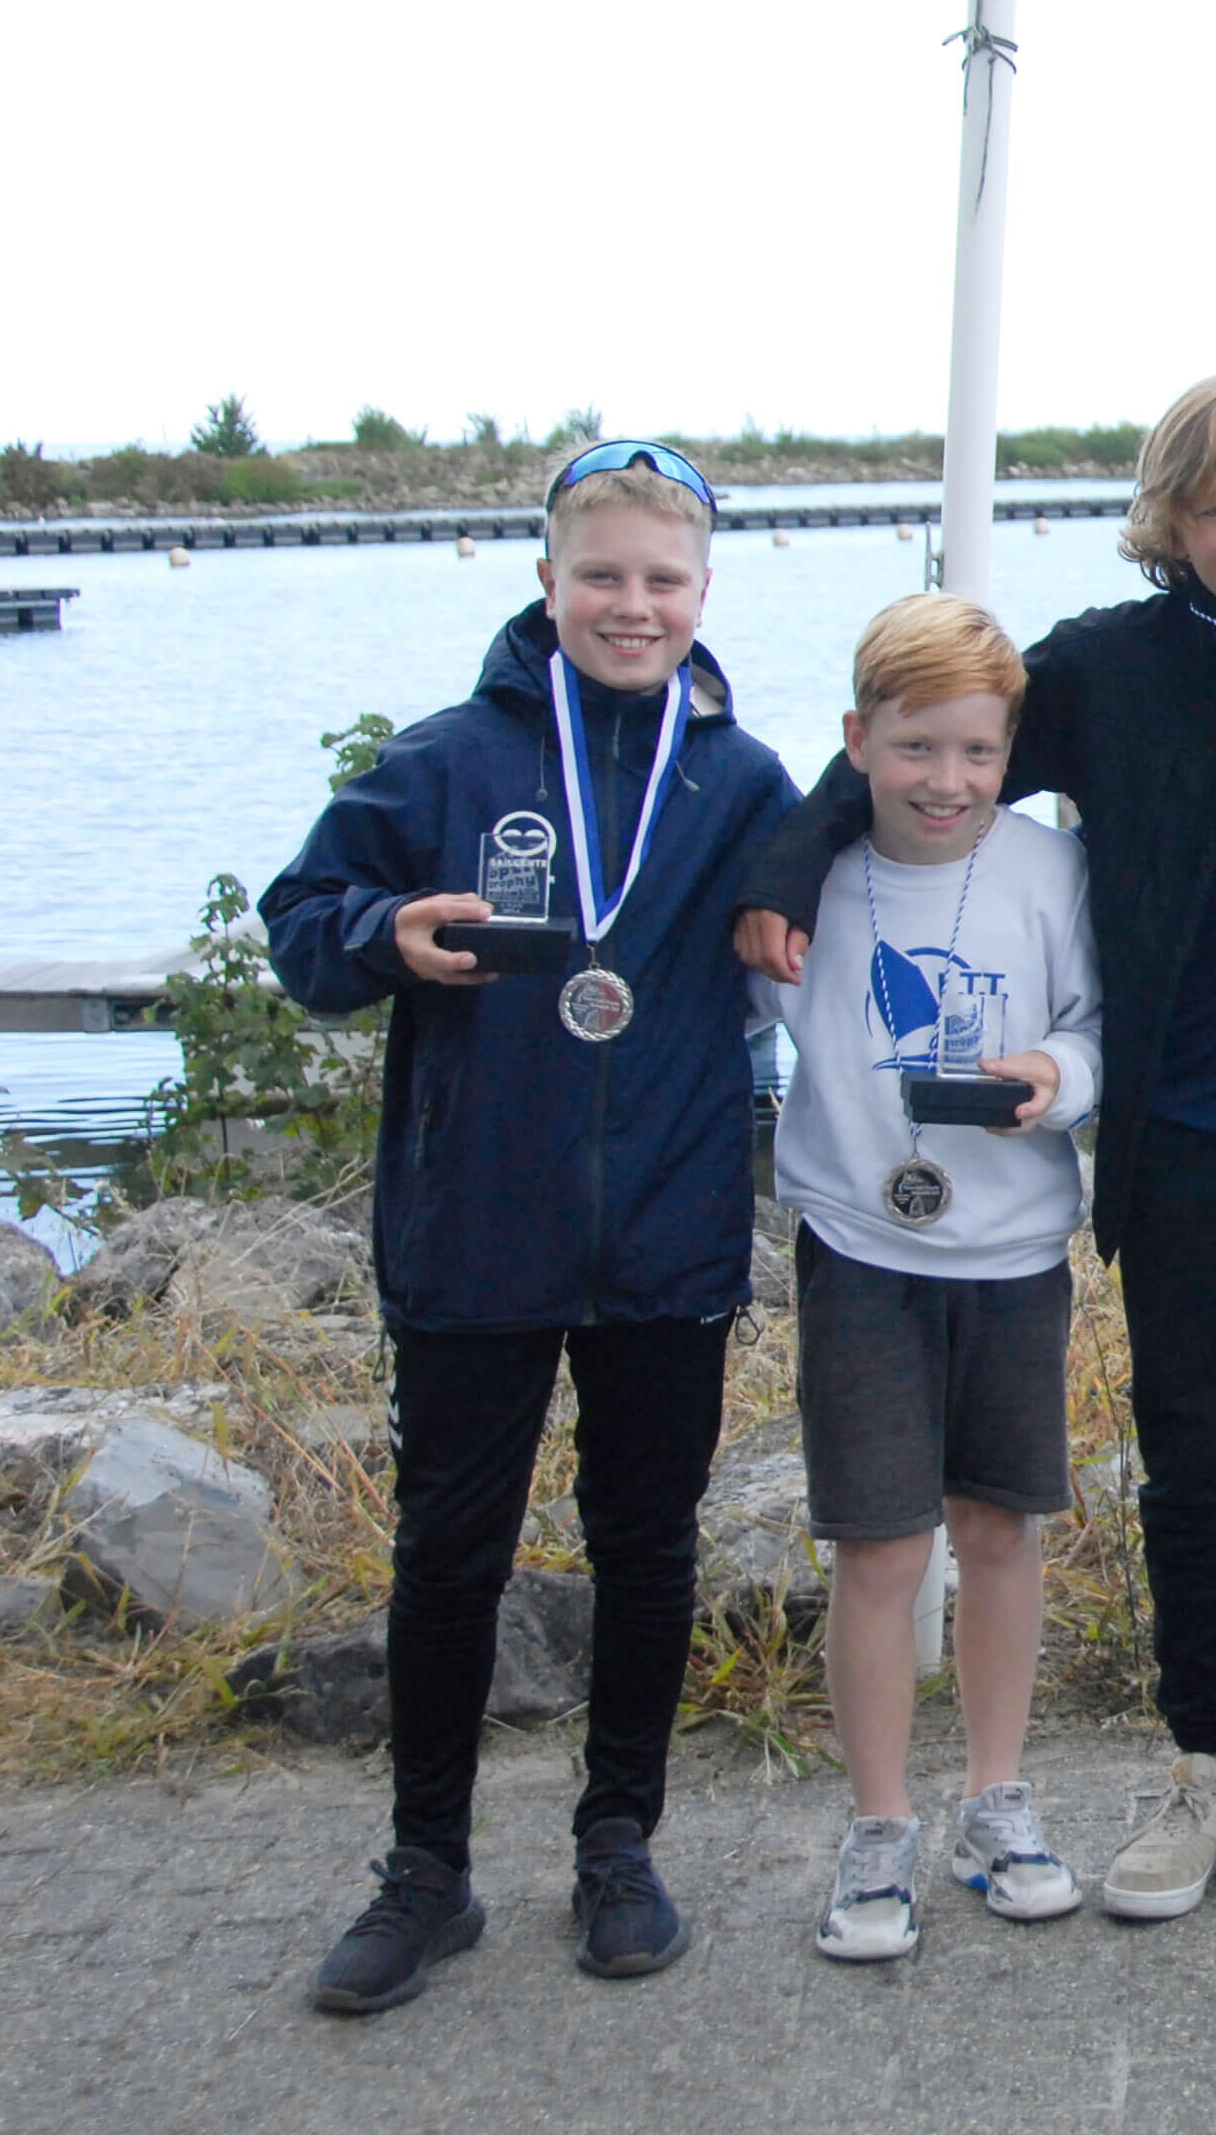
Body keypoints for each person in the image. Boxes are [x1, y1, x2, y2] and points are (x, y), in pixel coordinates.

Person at [739, 378, 1216, 1922]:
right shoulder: (1110, 668)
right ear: (1172, 527)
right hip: (1185, 1132)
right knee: (1196, 1461)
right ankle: (1200, 1765)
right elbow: (929, 742)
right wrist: (786, 870)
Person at [264, 440, 803, 2011]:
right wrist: (383, 930)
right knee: (450, 1555)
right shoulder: (444, 763)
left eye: (663, 580)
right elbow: (301, 927)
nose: (634, 606)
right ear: (547, 582)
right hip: (477, 1228)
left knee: (647, 1545)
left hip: (669, 1233)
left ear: (703, 591)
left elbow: (856, 880)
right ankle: (425, 1870)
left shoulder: (741, 780)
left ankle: (618, 1843)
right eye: (603, 576)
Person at [750, 594, 1103, 1961]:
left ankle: (996, 1798)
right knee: (883, 1549)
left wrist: (1059, 1076)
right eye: (914, 749)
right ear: (857, 743)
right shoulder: (806, 886)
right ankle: (879, 1821)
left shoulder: (1049, 870)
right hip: (860, 1246)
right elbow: (740, 1010)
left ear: (1009, 751)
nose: (945, 780)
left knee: (1001, 1531)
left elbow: (1095, 1025)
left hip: (1013, 1251)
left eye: (977, 752)